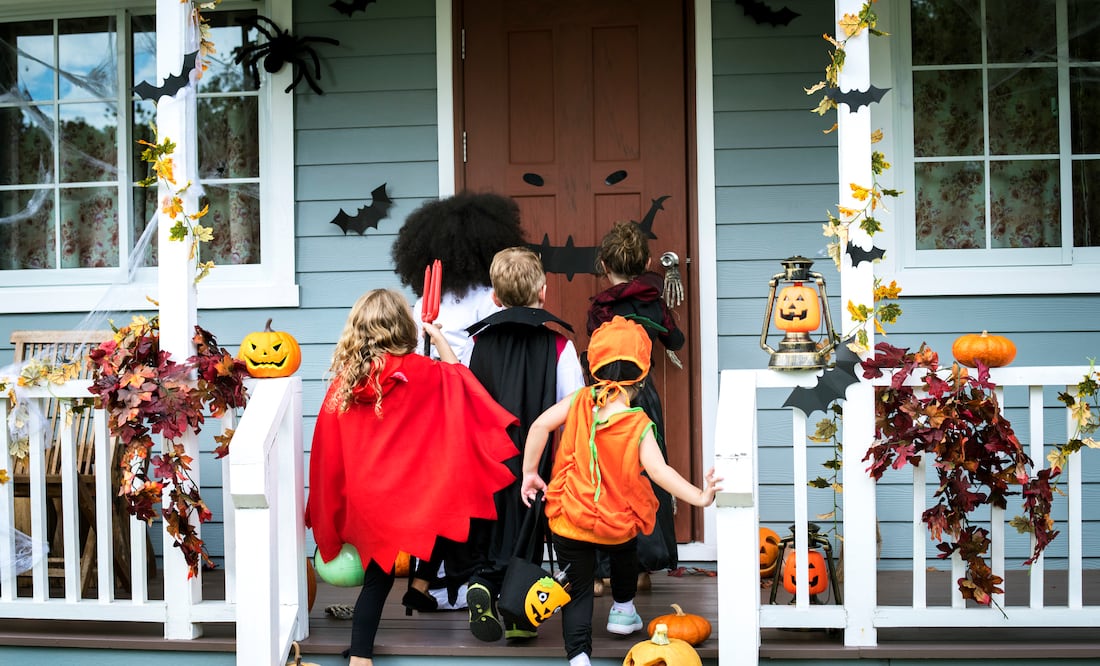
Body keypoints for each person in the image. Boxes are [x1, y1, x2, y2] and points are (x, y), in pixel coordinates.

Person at [305, 289, 519, 666]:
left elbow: (327, 450)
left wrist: (331, 508)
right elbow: (463, 384)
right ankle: (361, 656)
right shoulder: (425, 372)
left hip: (367, 499)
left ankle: (364, 648)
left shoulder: (343, 385)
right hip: (410, 495)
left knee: (379, 577)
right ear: (403, 325)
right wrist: (437, 338)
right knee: (442, 513)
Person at [518, 316, 721, 666]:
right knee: (626, 554)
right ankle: (623, 612)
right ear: (642, 374)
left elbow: (539, 426)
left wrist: (529, 473)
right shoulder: (638, 424)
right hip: (617, 523)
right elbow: (659, 472)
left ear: (593, 365)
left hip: (571, 518)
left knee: (577, 591)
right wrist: (701, 497)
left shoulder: (580, 400)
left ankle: (579, 656)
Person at [390, 191, 528, 607]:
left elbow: (411, 355)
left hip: (426, 410)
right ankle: (466, 579)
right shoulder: (488, 299)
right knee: (470, 498)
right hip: (470, 407)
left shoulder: (423, 305)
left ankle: (423, 583)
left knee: (436, 495)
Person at [463, 247, 586, 642]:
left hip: (487, 456)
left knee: (491, 529)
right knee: (528, 529)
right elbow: (575, 402)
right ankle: (518, 617)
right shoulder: (559, 347)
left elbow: (467, 396)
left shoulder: (477, 344)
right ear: (544, 292)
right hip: (538, 460)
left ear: (495, 298)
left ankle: (482, 582)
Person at [587, 220, 686, 592]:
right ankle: (643, 568)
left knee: (606, 477)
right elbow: (675, 340)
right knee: (646, 475)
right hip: (642, 397)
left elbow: (595, 354)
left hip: (606, 397)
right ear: (645, 260)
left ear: (603, 265)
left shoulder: (600, 309)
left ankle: (602, 570)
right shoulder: (653, 303)